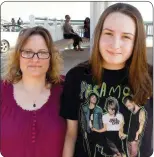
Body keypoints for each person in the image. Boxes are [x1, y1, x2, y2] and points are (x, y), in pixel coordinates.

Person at [60, 3, 153, 157]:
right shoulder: (76, 76)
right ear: (99, 35)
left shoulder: (150, 76)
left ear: (136, 41)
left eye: (126, 37)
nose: (115, 45)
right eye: (108, 33)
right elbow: (71, 134)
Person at [1, 26, 66, 157]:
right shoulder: (2, 91)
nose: (35, 59)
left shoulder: (66, 88)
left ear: (51, 57)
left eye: (42, 52)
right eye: (28, 52)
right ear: (18, 55)